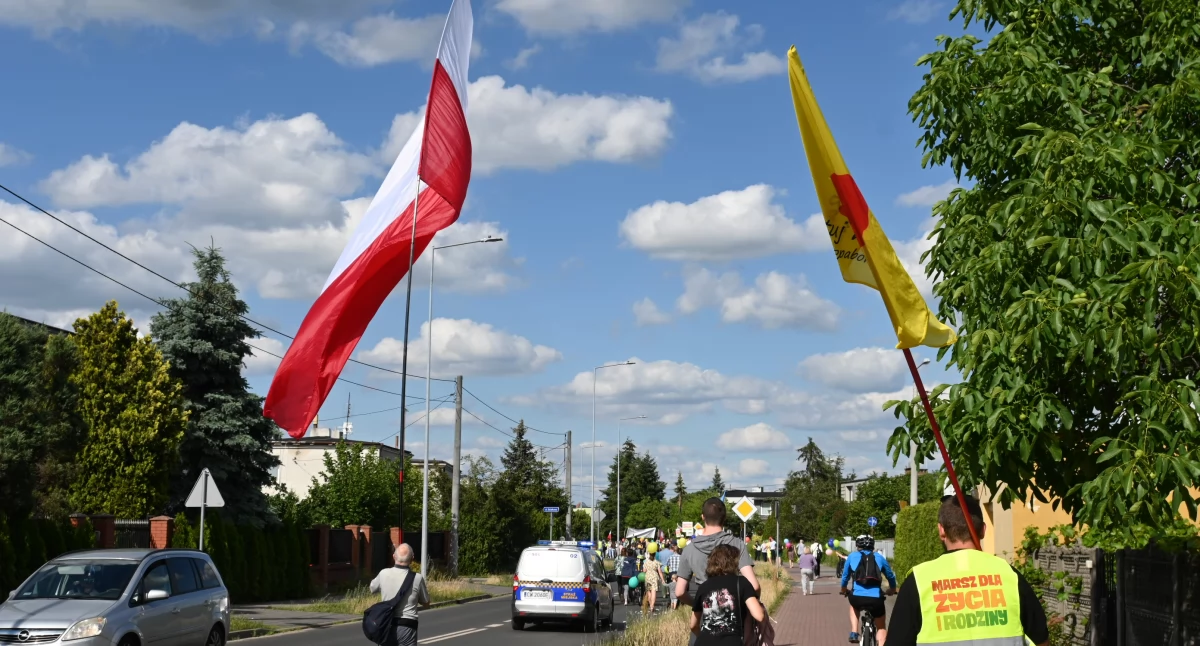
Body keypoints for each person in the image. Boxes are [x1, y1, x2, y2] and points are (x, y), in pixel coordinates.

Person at [886, 495, 1049, 646]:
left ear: (941, 530)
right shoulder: (1010, 575)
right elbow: (1041, 640)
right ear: (983, 530)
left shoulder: (919, 581)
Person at [676, 498, 761, 646]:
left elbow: (679, 592)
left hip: (705, 619)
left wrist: (699, 603)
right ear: (724, 518)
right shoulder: (737, 544)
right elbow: (754, 586)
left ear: (703, 517)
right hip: (734, 620)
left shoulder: (689, 549)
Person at [690, 544, 765, 646]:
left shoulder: (703, 587)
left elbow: (693, 625)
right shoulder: (741, 582)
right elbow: (759, 616)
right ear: (733, 562)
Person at [369, 544, 431, 646]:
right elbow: (426, 603)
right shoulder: (417, 578)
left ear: (394, 556)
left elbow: (372, 589)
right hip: (408, 626)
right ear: (412, 559)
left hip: (386, 624)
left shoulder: (383, 573)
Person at [841, 535, 897, 644]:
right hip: (876, 600)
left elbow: (845, 577)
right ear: (873, 546)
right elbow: (890, 576)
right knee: (881, 628)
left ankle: (854, 632)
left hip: (857, 598)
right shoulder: (879, 557)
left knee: (853, 605)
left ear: (857, 545)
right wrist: (892, 589)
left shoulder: (852, 556)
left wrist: (844, 590)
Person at [642, 546, 664, 614]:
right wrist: (662, 579)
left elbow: (644, 570)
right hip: (654, 577)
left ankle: (650, 604)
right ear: (654, 555)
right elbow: (660, 572)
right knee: (654, 591)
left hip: (647, 577)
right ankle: (652, 606)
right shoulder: (657, 562)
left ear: (649, 554)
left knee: (648, 591)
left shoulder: (646, 562)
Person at [666, 543, 682, 610]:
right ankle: (678, 601)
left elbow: (667, 564)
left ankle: (671, 601)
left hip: (672, 572)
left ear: (673, 550)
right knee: (678, 587)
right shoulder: (680, 557)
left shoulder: (670, 557)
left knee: (672, 587)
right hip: (678, 573)